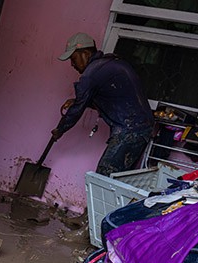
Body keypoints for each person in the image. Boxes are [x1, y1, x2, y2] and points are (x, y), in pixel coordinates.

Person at [51, 32, 154, 177]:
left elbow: (76, 110)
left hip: (129, 130)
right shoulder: (111, 63)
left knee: (104, 176)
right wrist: (81, 103)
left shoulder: (91, 74)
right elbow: (114, 99)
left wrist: (60, 129)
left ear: (85, 53)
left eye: (73, 59)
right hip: (142, 127)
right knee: (119, 178)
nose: (72, 64)